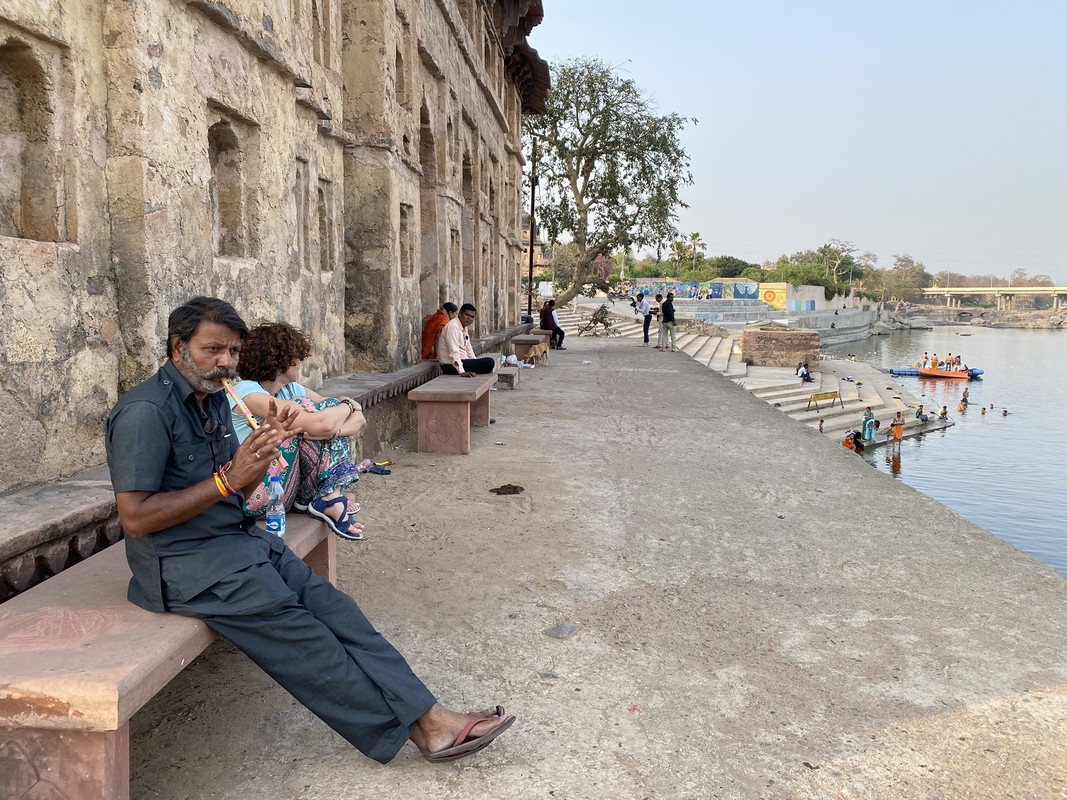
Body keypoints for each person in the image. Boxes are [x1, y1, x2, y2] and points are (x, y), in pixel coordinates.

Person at [105, 296, 515, 765]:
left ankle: (432, 718)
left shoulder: (216, 400)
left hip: (237, 540)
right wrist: (228, 479)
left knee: (336, 608)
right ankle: (425, 728)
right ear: (178, 347)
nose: (225, 362)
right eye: (212, 349)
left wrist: (262, 458)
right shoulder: (144, 413)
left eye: (233, 353)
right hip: (185, 565)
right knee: (303, 633)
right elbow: (136, 518)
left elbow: (238, 488)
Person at [228, 322, 365, 540]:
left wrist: (336, 426)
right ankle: (328, 498)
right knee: (302, 417)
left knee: (325, 408)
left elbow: (356, 420)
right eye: (298, 358)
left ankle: (329, 496)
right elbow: (324, 423)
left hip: (283, 487)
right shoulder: (247, 393)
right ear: (283, 361)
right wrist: (346, 409)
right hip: (254, 493)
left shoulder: (290, 389)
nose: (301, 363)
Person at [437, 303, 495, 376]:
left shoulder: (464, 327)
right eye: (467, 315)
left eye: (472, 317)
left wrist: (475, 362)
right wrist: (461, 371)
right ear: (460, 313)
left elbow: (468, 348)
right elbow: (453, 351)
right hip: (450, 365)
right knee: (489, 362)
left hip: (464, 361)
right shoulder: (453, 326)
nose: (469, 318)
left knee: (488, 363)